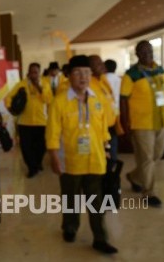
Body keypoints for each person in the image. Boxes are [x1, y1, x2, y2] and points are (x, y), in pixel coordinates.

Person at [46, 55, 117, 254]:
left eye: (86, 72)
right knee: (71, 199)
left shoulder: (97, 98)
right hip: (70, 161)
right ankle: (70, 227)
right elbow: (52, 132)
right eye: (78, 72)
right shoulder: (60, 102)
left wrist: (107, 148)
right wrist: (53, 157)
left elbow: (103, 129)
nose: (83, 77)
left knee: (96, 202)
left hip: (95, 158)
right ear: (69, 75)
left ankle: (100, 238)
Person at [120, 40, 164, 207]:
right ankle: (149, 193)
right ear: (137, 54)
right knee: (147, 159)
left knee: (157, 155)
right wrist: (125, 122)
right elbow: (123, 100)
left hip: (162, 121)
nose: (147, 53)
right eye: (142, 51)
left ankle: (134, 177)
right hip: (142, 123)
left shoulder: (161, 70)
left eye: (149, 50)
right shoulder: (131, 74)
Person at [5, 62, 52, 177]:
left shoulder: (45, 84)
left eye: (36, 72)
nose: (34, 74)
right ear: (28, 72)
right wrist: (10, 108)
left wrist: (39, 88)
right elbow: (9, 97)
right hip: (24, 122)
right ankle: (32, 168)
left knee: (41, 147)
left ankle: (37, 162)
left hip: (41, 122)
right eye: (32, 72)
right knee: (26, 148)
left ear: (39, 73)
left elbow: (49, 100)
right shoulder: (21, 84)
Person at [89, 55, 117, 173]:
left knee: (112, 159)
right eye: (98, 64)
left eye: (102, 63)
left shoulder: (103, 80)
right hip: (99, 130)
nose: (102, 66)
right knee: (104, 161)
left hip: (111, 127)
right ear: (89, 68)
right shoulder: (89, 84)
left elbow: (110, 100)